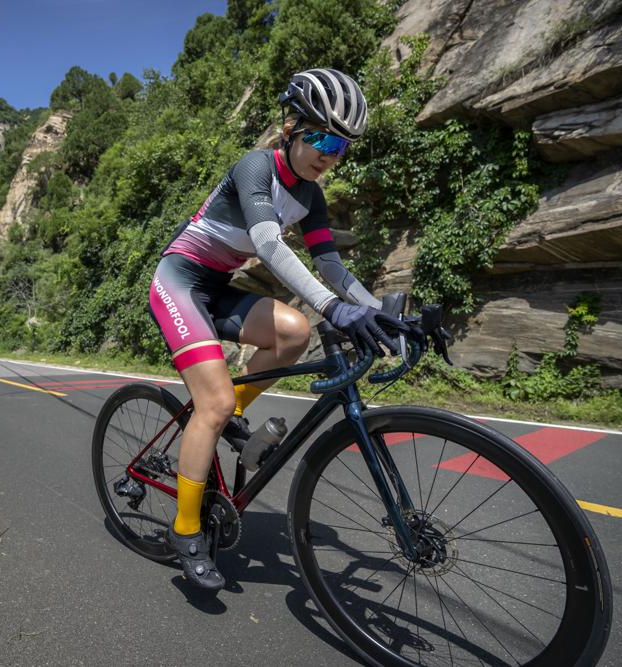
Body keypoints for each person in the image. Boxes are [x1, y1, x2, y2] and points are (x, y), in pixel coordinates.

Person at [148, 68, 415, 591]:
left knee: (293, 334)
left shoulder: (312, 196)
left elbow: (335, 271)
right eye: (320, 136)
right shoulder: (254, 166)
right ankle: (185, 531)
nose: (329, 153)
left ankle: (226, 420)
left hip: (219, 284)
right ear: (291, 126)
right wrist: (332, 309)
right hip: (178, 278)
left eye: (340, 145)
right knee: (215, 401)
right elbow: (269, 244)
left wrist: (384, 315)